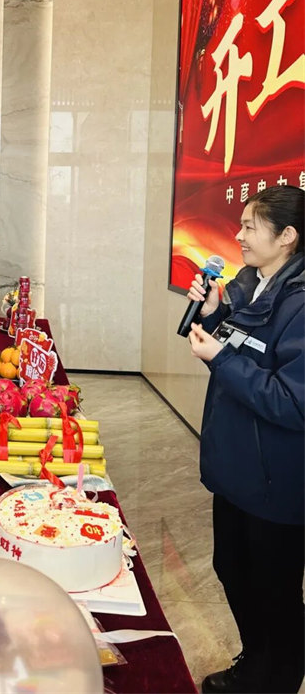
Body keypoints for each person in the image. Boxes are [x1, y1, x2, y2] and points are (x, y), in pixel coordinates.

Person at [186, 185, 304, 694]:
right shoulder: (251, 283)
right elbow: (240, 350)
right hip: (237, 466)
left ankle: (273, 679)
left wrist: (220, 358)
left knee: (274, 589)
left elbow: (292, 401)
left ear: (287, 236)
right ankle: (256, 660)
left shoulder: (300, 303)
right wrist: (213, 314)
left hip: (276, 478)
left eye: (250, 227)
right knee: (232, 568)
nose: (238, 236)